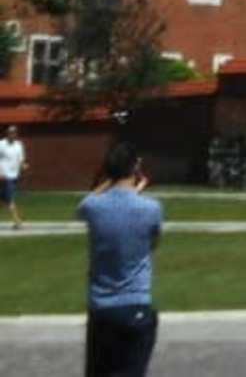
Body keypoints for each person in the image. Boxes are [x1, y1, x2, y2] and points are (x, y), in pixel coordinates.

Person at [79, 141, 161, 377]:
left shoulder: (93, 207)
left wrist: (110, 181)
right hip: (136, 303)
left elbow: (85, 203)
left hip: (101, 307)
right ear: (135, 167)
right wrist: (135, 190)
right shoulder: (151, 208)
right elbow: (153, 243)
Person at [0, 123, 25, 229]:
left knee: (3, 199)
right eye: (10, 132)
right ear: (7, 133)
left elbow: (21, 159)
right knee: (10, 199)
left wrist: (22, 166)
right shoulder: (1, 144)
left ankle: (16, 221)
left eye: (14, 132)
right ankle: (17, 221)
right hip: (4, 176)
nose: (12, 134)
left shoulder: (19, 145)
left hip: (14, 176)